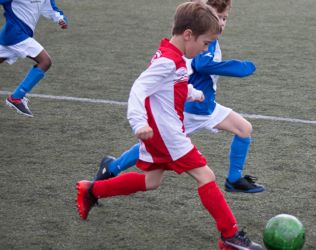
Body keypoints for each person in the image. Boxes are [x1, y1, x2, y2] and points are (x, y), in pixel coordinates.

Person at [75, 2, 263, 249]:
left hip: (163, 132)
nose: (205, 49)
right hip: (167, 134)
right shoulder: (168, 61)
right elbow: (138, 89)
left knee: (151, 182)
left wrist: (193, 93)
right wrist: (139, 122)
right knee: (206, 176)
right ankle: (229, 236)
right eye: (205, 43)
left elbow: (174, 83)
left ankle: (92, 190)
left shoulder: (174, 55)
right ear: (188, 35)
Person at [94, 0, 265, 194]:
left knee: (244, 129)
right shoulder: (203, 41)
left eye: (225, 18)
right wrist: (238, 67)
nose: (222, 22)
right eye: (218, 17)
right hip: (190, 110)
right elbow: (202, 65)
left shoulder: (209, 39)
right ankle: (112, 167)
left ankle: (234, 179)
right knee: (152, 148)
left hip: (206, 106)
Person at [0, 0, 68, 117]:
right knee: (45, 61)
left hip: (14, 36)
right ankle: (16, 98)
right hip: (16, 34)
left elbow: (51, 9)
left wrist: (60, 19)